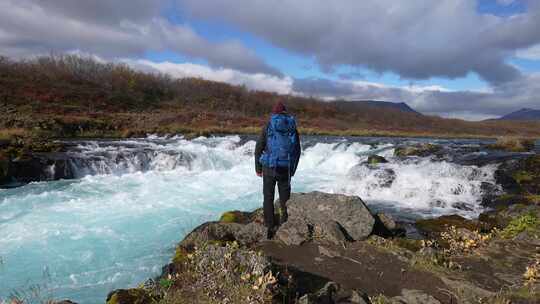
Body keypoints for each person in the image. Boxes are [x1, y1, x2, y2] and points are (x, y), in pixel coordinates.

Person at [255, 101, 301, 239]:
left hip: (269, 167)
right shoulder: (292, 127)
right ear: (285, 112)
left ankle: (269, 227)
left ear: (274, 113)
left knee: (268, 198)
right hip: (286, 168)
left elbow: (259, 148)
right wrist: (292, 169)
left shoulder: (269, 126)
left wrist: (258, 168)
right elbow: (297, 151)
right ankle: (284, 225)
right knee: (285, 199)